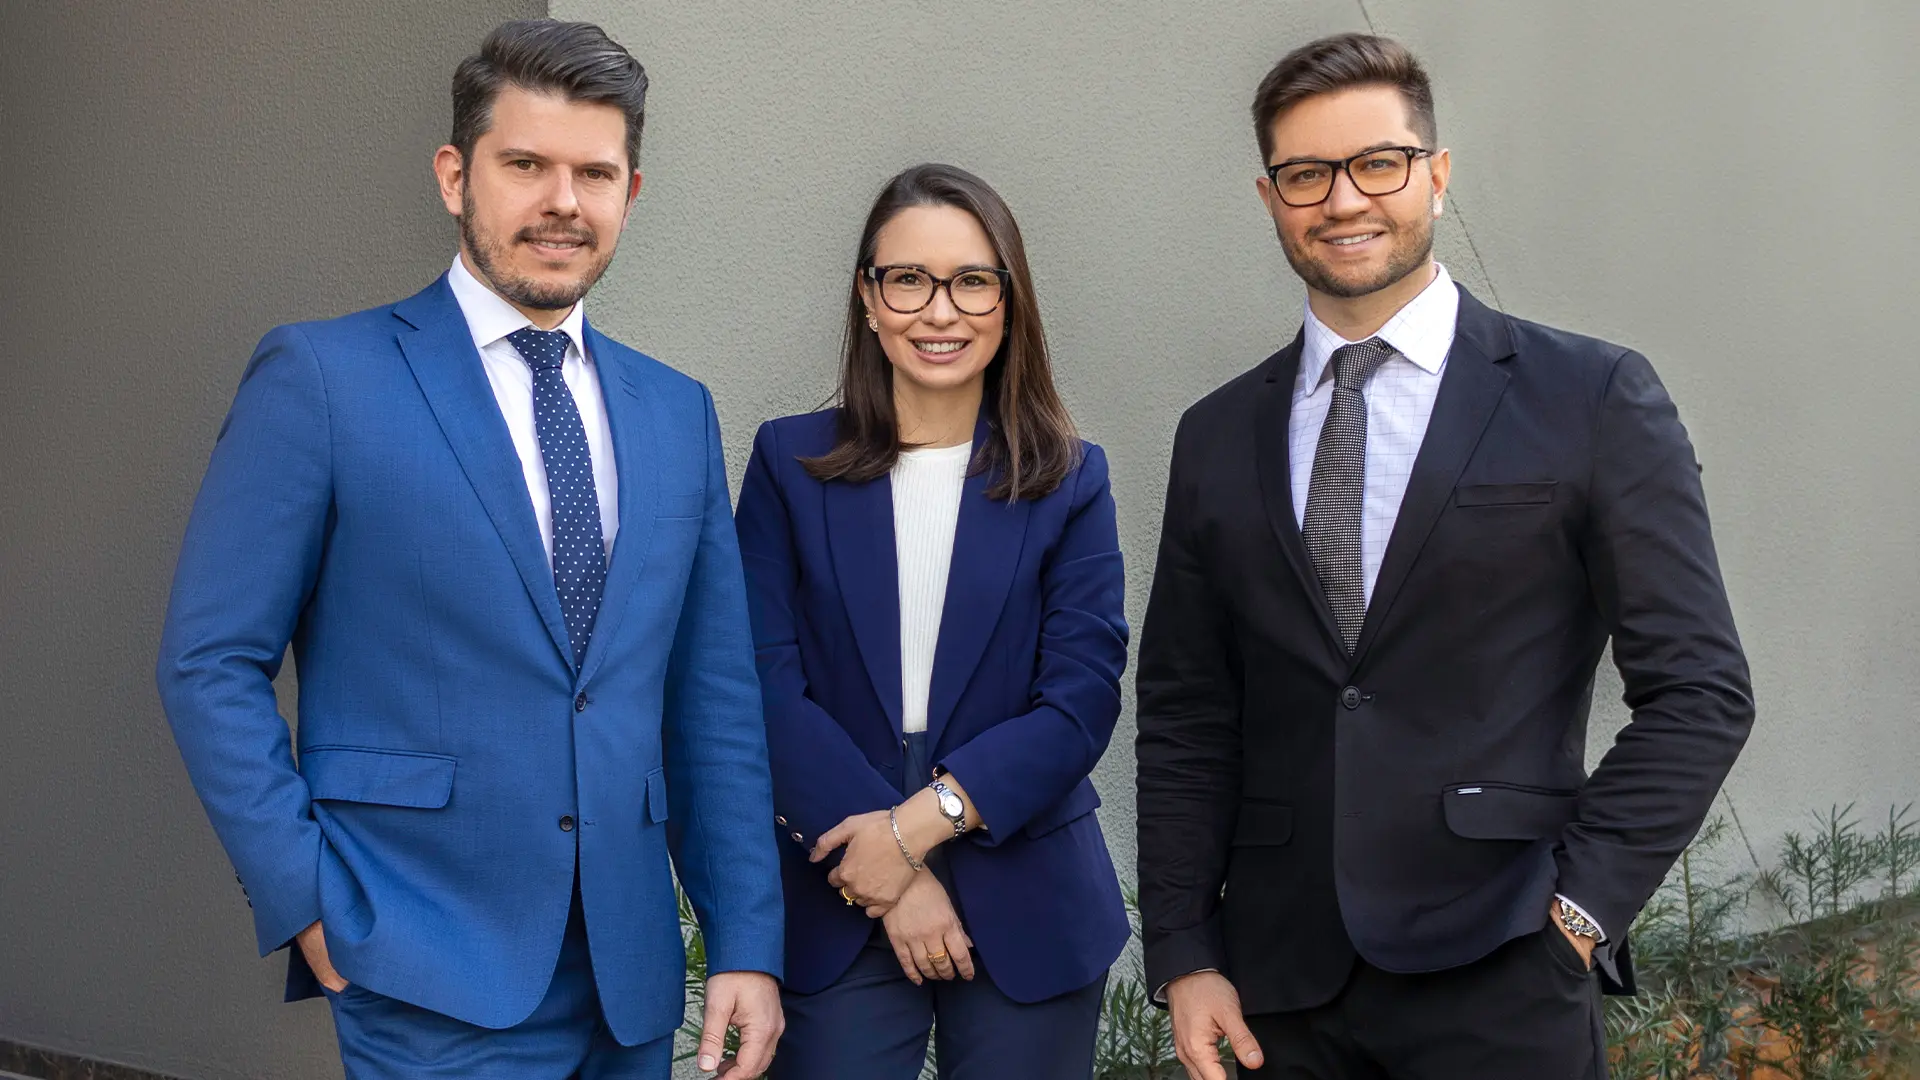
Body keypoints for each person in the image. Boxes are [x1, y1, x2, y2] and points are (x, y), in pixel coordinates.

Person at [155, 20, 783, 1080]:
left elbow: (710, 702)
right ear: (456, 176)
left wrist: (748, 945)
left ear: (631, 193)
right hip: (419, 957)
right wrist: (304, 892)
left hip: (627, 980)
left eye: (594, 173)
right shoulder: (322, 380)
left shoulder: (676, 413)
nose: (562, 203)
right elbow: (208, 660)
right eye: (526, 165)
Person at [1133, 32, 1754, 1080]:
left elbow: (1700, 690)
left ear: (1437, 172)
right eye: (1306, 174)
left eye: (1378, 163)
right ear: (1269, 193)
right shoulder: (1217, 433)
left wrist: (1581, 911)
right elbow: (1189, 712)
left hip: (1504, 960)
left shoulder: (1590, 398)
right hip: (1279, 989)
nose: (1343, 200)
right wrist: (1185, 953)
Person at [732, 163, 1130, 1079]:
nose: (939, 311)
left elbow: (1078, 702)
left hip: (1025, 882)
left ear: (1008, 302)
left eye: (972, 281)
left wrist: (918, 829)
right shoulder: (790, 462)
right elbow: (759, 681)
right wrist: (888, 868)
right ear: (869, 301)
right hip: (838, 885)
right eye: (907, 279)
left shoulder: (1071, 478)